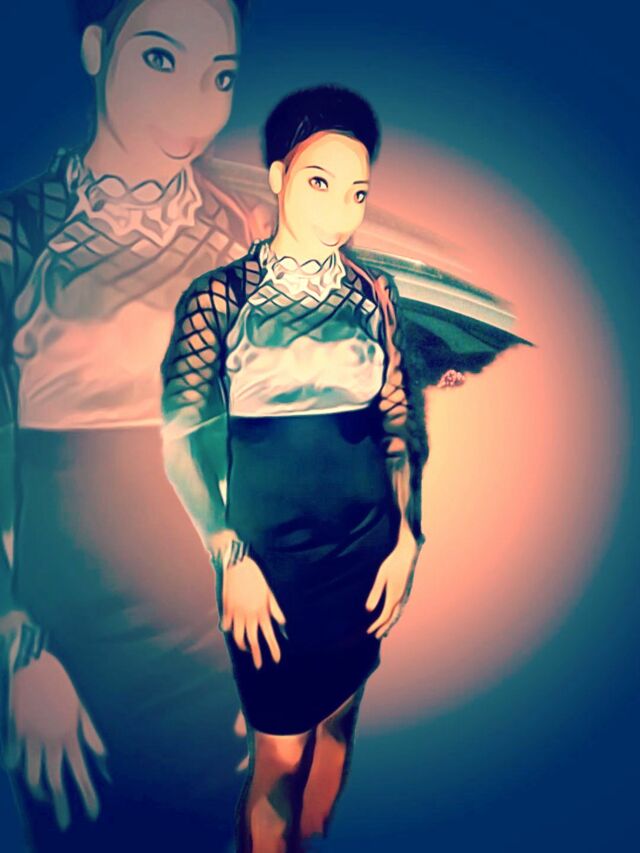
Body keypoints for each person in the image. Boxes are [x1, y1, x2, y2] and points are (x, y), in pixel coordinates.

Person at [0, 0, 267, 849]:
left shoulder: (244, 232)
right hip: (62, 645)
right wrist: (16, 652)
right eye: (159, 59)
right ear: (94, 49)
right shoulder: (17, 235)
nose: (193, 104)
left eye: (219, 77)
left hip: (211, 631)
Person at [161, 84, 429, 852]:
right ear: (278, 176)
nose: (341, 210)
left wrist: (409, 536)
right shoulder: (221, 298)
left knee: (339, 723)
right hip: (269, 568)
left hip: (366, 552)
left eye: (358, 192)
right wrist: (227, 554)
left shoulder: (375, 292)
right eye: (320, 182)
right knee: (278, 757)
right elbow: (181, 439)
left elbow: (398, 423)